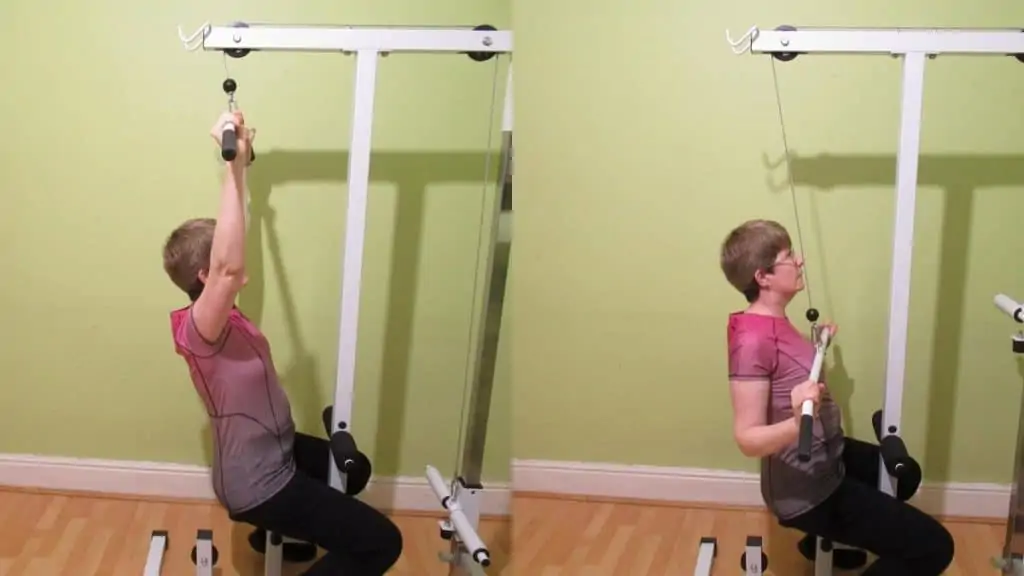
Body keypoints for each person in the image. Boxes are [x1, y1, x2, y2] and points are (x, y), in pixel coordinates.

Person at [162, 111, 403, 575]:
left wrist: (245, 170)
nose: (239, 253)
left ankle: (280, 536)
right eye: (225, 257)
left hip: (280, 448)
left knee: (355, 470)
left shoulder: (225, 315)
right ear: (205, 276)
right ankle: (275, 522)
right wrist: (229, 167)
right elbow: (230, 266)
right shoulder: (198, 331)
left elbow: (232, 250)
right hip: (259, 483)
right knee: (380, 543)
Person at [719, 219, 954, 575]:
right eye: (789, 256)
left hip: (828, 455)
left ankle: (818, 543)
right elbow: (747, 439)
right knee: (934, 548)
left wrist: (818, 347)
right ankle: (819, 530)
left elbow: (789, 375)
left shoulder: (776, 321)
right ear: (763, 277)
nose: (800, 262)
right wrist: (798, 422)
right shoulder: (751, 340)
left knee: (906, 476)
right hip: (806, 490)